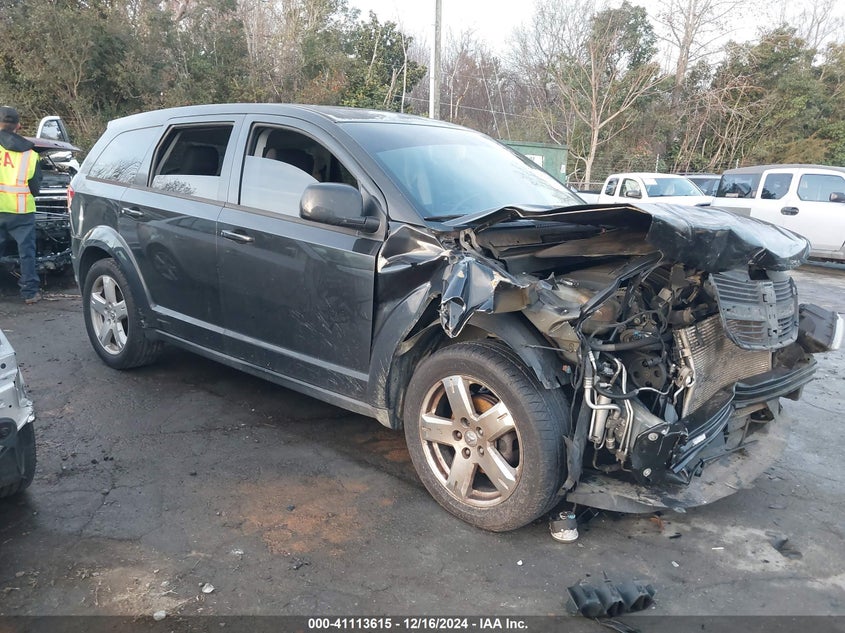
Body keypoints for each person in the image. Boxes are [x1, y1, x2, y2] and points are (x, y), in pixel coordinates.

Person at [0, 106, 42, 303]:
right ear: (18, 126)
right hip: (21, 211)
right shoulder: (31, 154)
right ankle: (30, 292)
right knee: (27, 253)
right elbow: (35, 188)